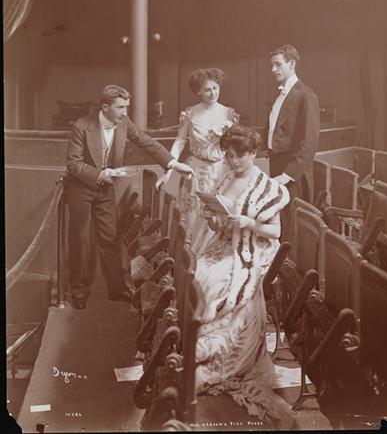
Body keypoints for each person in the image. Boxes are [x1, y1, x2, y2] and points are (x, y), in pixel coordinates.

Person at [192, 126, 294, 426]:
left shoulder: (267, 188)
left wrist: (249, 222)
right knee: (198, 273)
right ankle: (198, 347)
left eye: (239, 156)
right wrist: (215, 220)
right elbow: (216, 222)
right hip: (224, 243)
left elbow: (275, 232)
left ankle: (218, 359)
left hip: (252, 249)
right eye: (229, 156)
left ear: (253, 153)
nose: (233, 161)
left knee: (217, 283)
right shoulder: (226, 178)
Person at [66, 84, 193, 309]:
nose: (125, 112)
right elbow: (73, 164)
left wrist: (173, 163)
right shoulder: (81, 126)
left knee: (110, 238)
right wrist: (100, 174)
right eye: (120, 107)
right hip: (82, 189)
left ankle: (117, 289)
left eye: (126, 107)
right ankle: (79, 290)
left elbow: (145, 141)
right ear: (105, 107)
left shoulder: (124, 122)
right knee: (81, 240)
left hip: (105, 190)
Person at [157, 68, 239, 236]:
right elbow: (180, 142)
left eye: (215, 88)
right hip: (195, 171)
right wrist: (168, 171)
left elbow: (236, 146)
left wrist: (228, 134)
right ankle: (192, 250)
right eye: (207, 89)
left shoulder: (229, 113)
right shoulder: (190, 113)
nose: (212, 93)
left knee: (219, 215)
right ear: (198, 91)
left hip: (221, 171)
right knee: (194, 216)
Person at [263, 44, 320, 204]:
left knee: (294, 215)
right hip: (277, 164)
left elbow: (310, 142)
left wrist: (288, 174)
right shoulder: (281, 94)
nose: (273, 69)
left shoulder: (306, 95)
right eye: (272, 65)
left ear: (292, 64)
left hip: (293, 171)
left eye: (278, 64)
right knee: (279, 214)